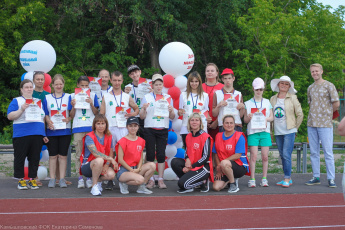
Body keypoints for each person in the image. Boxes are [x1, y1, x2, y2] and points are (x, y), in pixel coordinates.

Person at [100, 71, 139, 190]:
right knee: (109, 153)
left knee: (124, 154)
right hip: (110, 128)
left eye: (119, 80)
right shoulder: (106, 96)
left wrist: (133, 114)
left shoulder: (127, 96)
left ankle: (123, 178)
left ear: (122, 81)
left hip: (123, 128)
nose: (117, 83)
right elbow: (101, 114)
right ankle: (110, 179)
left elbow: (137, 109)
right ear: (111, 81)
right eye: (115, 80)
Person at [7, 79, 49, 190]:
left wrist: (43, 134)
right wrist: (21, 109)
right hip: (21, 134)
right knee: (20, 158)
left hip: (37, 133)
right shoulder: (17, 101)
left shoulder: (38, 101)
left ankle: (32, 179)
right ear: (21, 89)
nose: (29, 89)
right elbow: (10, 116)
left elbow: (42, 118)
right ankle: (21, 180)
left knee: (34, 158)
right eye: (26, 87)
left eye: (31, 87)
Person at [306, 63, 339, 188]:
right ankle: (316, 176)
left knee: (328, 152)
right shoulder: (310, 88)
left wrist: (326, 115)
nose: (315, 73)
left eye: (316, 71)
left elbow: (336, 103)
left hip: (325, 124)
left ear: (321, 71)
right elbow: (311, 103)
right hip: (312, 123)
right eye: (312, 71)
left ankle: (331, 178)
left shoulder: (329, 86)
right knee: (314, 152)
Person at [139, 74, 175, 189]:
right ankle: (150, 179)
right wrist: (144, 108)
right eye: (156, 84)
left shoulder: (168, 97)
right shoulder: (147, 97)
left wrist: (170, 111)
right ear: (152, 85)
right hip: (149, 128)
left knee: (160, 154)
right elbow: (142, 116)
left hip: (162, 129)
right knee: (150, 155)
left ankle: (160, 179)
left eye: (160, 84)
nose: (158, 86)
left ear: (163, 85)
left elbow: (173, 116)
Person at [270, 76, 303, 188]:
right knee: (282, 155)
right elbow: (270, 116)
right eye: (282, 83)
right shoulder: (273, 99)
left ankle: (287, 177)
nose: (283, 85)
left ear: (289, 86)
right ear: (278, 85)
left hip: (289, 130)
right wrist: (270, 131)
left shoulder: (293, 98)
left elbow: (300, 114)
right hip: (278, 132)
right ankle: (287, 176)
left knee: (286, 154)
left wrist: (295, 128)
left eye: (286, 84)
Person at [69, 76, 99, 189]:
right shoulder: (72, 96)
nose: (84, 87)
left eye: (86, 85)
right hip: (78, 127)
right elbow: (71, 116)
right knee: (79, 154)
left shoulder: (93, 95)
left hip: (91, 128)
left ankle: (90, 177)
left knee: (91, 154)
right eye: (82, 85)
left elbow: (97, 113)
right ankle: (80, 177)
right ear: (78, 85)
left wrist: (91, 104)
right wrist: (73, 106)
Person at [171, 113, 213, 193]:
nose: (194, 122)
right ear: (189, 123)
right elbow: (186, 151)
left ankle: (202, 182)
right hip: (191, 165)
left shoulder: (205, 137)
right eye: (192, 120)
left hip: (202, 167)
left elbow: (206, 157)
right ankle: (191, 181)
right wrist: (187, 159)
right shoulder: (188, 136)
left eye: (197, 120)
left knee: (182, 185)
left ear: (200, 123)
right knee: (175, 162)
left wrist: (191, 166)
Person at [43, 74, 72, 188]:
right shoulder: (47, 98)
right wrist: (48, 121)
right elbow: (45, 113)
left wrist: (69, 118)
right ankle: (52, 178)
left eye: (61, 84)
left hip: (65, 130)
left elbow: (72, 112)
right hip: (52, 130)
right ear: (53, 85)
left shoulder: (69, 97)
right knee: (53, 156)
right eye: (56, 84)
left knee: (63, 156)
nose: (59, 86)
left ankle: (62, 179)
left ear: (63, 84)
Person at [244, 78, 274, 188]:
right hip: (253, 132)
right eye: (257, 89)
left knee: (265, 157)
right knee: (254, 156)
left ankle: (264, 178)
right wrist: (248, 117)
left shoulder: (267, 102)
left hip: (265, 132)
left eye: (261, 89)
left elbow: (271, 117)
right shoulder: (247, 103)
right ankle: (252, 179)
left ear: (263, 90)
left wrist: (266, 119)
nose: (258, 91)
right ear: (253, 89)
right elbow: (245, 121)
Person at [115, 116, 156, 195]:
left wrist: (139, 168)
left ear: (138, 127)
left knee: (152, 165)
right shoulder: (122, 141)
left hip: (135, 168)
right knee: (140, 180)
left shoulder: (141, 140)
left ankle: (141, 188)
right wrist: (131, 169)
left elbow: (140, 156)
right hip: (124, 170)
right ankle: (123, 183)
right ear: (127, 127)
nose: (133, 128)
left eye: (135, 126)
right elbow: (120, 160)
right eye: (130, 126)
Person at [80, 114, 117, 196]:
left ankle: (98, 181)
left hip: (102, 164)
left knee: (111, 175)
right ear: (94, 125)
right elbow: (95, 152)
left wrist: (107, 165)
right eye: (98, 124)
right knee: (99, 160)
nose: (101, 126)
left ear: (106, 125)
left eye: (103, 123)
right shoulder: (89, 136)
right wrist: (110, 159)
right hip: (88, 166)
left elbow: (111, 152)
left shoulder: (109, 136)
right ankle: (94, 186)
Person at [213, 115, 250, 193]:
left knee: (225, 163)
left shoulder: (239, 136)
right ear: (223, 124)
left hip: (239, 166)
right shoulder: (218, 136)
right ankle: (230, 179)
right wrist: (219, 169)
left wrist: (222, 164)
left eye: (231, 123)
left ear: (234, 124)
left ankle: (233, 185)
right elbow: (215, 153)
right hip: (224, 166)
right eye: (226, 123)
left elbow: (238, 155)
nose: (229, 125)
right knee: (216, 187)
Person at [178, 71, 210, 148]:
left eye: (196, 81)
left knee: (200, 151)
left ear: (199, 82)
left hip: (201, 128)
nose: (194, 83)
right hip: (186, 127)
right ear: (189, 82)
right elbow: (180, 112)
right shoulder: (183, 95)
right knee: (188, 151)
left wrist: (208, 118)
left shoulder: (205, 96)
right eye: (192, 81)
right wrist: (180, 112)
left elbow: (206, 112)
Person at [124, 65, 152, 137]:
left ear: (140, 72)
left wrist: (153, 93)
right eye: (132, 74)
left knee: (145, 139)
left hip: (144, 116)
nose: (134, 75)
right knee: (132, 138)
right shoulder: (127, 87)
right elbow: (123, 103)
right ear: (130, 76)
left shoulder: (148, 85)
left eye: (136, 72)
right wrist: (124, 94)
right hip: (133, 116)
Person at [202, 63, 224, 141]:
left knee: (216, 149)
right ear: (205, 73)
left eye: (212, 71)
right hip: (202, 123)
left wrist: (216, 121)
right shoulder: (200, 87)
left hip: (218, 122)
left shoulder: (222, 87)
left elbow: (225, 107)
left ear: (217, 73)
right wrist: (203, 121)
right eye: (207, 71)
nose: (210, 72)